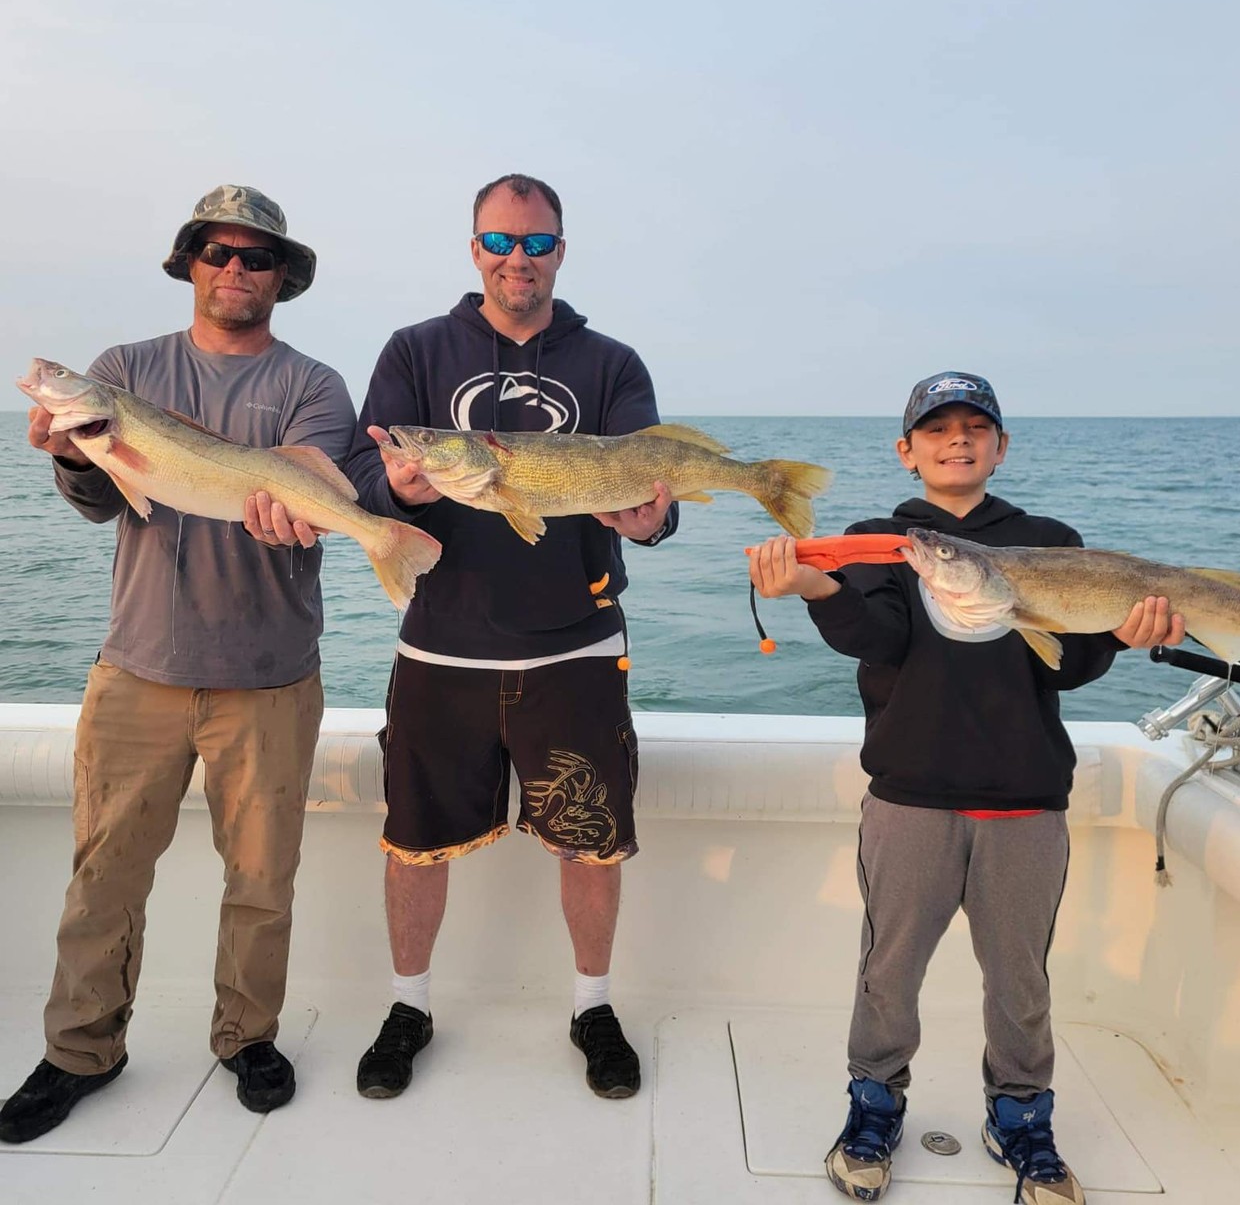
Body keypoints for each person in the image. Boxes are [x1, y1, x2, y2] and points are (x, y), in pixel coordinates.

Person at [748, 372, 1184, 1205]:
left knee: (1020, 979)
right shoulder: (883, 540)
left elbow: (1072, 660)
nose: (957, 439)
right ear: (906, 451)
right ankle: (873, 1107)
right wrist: (813, 587)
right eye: (937, 427)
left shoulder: (1051, 538)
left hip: (1026, 797)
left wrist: (1126, 637)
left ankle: (1020, 1117)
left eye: (974, 427)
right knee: (889, 968)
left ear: (1001, 447)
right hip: (909, 795)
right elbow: (880, 642)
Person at [0, 185, 357, 1144]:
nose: (234, 270)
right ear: (188, 263)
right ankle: (82, 1049)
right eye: (216, 252)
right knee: (104, 872)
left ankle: (248, 1036)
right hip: (139, 669)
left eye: (256, 258)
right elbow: (103, 501)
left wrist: (307, 517)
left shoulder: (315, 386)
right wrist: (78, 457)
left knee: (261, 877)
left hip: (272, 675)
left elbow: (311, 494)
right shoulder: (123, 374)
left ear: (283, 277)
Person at [343, 172, 675, 1102]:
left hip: (575, 645)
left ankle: (593, 1006)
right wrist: (400, 486)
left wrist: (650, 522)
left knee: (591, 840)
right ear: (473, 247)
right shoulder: (415, 349)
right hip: (440, 644)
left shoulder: (611, 364)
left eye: (535, 244)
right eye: (499, 241)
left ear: (561, 251)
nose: (516, 259)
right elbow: (368, 476)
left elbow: (647, 497)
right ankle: (409, 1005)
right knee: (414, 838)